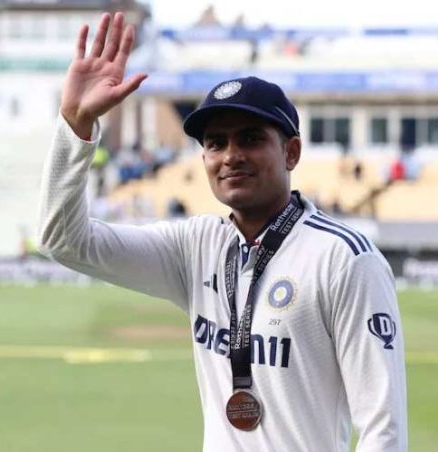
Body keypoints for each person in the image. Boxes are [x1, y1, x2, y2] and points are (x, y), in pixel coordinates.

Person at [37, 12, 407, 451]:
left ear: (291, 152)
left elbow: (383, 428)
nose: (230, 155)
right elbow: (65, 240)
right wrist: (75, 124)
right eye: (215, 143)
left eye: (250, 138)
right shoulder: (196, 247)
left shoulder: (344, 258)